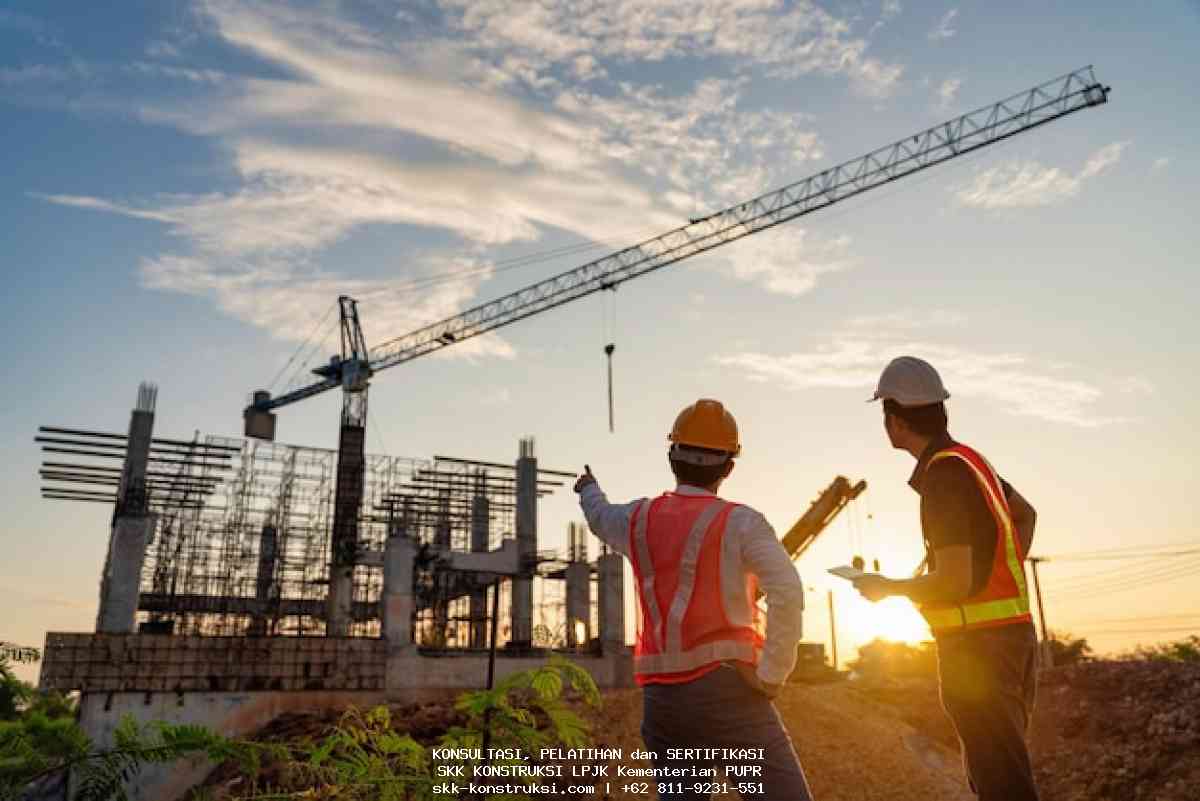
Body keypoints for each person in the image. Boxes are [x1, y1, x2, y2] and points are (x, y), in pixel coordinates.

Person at [575, 398, 812, 801]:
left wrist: (588, 489)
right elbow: (787, 589)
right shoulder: (741, 523)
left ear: (672, 457)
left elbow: (600, 517)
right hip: (730, 695)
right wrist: (772, 674)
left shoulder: (637, 520)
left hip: (663, 704)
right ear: (729, 467)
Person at [852, 356, 1041, 801]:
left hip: (979, 651)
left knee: (1002, 786)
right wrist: (994, 568)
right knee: (1001, 775)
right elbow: (1025, 515)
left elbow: (954, 583)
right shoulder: (970, 461)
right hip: (1011, 640)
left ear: (894, 420)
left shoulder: (944, 477)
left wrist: (889, 589)